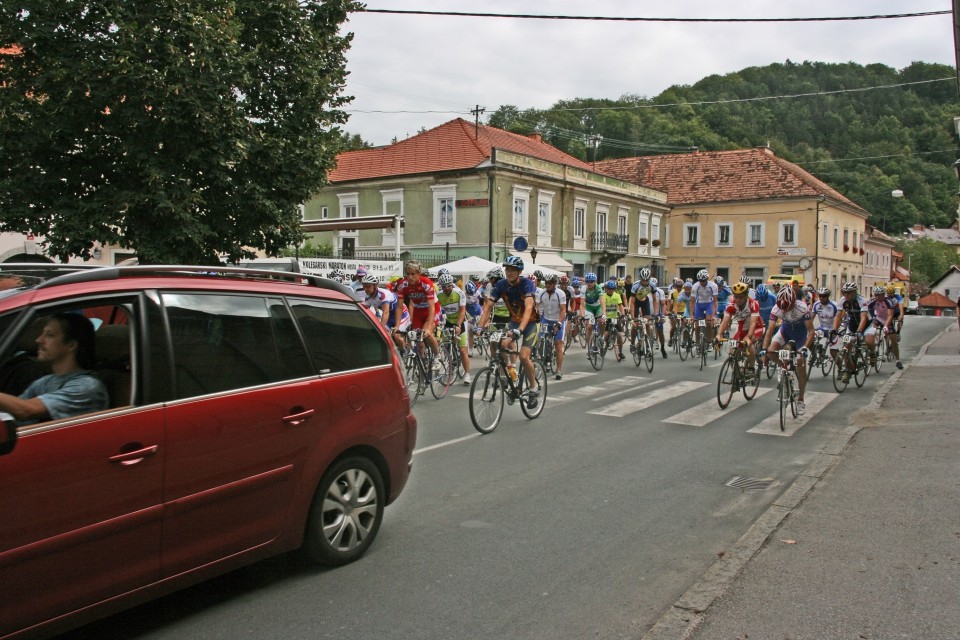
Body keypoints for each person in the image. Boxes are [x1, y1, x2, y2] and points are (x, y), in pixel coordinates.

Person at [0, 313, 108, 425]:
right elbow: (11, 412)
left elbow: (26, 410)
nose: (38, 340)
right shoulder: (45, 381)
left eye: (49, 335)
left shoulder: (87, 387)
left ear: (71, 345)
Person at [478, 256, 541, 410]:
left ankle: (533, 389)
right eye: (507, 270)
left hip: (531, 323)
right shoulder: (500, 285)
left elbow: (528, 308)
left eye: (513, 270)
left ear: (519, 271)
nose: (510, 273)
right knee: (497, 342)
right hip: (513, 322)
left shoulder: (527, 284)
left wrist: (520, 330)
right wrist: (480, 327)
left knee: (524, 356)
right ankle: (506, 375)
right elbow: (488, 307)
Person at [761, 286, 814, 416]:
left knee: (801, 362)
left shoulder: (802, 308)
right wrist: (764, 349)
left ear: (793, 302)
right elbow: (769, 331)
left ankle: (800, 399)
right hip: (786, 332)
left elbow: (811, 331)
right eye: (782, 307)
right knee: (771, 351)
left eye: (788, 307)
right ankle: (786, 367)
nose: (785, 310)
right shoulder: (776, 308)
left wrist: (806, 348)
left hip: (801, 336)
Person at [715, 281, 764, 374]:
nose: (738, 299)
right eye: (736, 297)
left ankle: (751, 368)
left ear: (746, 296)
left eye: (741, 297)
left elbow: (753, 323)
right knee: (732, 351)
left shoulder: (753, 304)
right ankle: (737, 375)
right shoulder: (731, 306)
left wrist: (748, 336)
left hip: (757, 328)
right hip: (742, 330)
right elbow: (725, 321)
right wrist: (719, 334)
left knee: (748, 344)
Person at [436, 273, 472, 384]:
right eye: (444, 286)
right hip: (448, 322)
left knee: (462, 349)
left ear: (452, 285)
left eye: (449, 286)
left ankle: (467, 374)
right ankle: (449, 362)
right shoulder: (439, 295)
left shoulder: (459, 293)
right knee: (445, 345)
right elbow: (437, 311)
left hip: (460, 322)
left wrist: (458, 325)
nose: (447, 288)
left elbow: (462, 311)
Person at [360, 274, 409, 352]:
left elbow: (386, 312)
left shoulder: (383, 294)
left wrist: (381, 328)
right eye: (364, 286)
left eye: (368, 286)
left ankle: (405, 352)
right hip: (390, 318)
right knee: (386, 337)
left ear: (375, 286)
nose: (366, 289)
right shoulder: (368, 297)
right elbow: (364, 311)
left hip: (402, 315)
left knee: (396, 336)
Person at [537, 274, 567, 379]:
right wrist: (537, 319)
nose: (548, 285)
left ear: (554, 284)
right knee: (540, 340)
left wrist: (559, 323)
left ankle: (559, 370)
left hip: (558, 320)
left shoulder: (560, 293)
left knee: (558, 344)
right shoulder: (541, 293)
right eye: (546, 283)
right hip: (546, 319)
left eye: (550, 283)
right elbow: (537, 308)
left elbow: (563, 310)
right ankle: (544, 359)